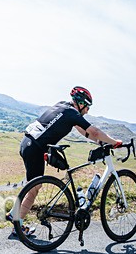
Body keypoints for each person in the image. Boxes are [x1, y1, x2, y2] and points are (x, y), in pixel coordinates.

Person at [11, 86, 121, 237]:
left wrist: (100, 143)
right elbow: (94, 131)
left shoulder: (63, 106)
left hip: (27, 143)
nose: (88, 111)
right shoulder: (72, 113)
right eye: (87, 106)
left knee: (32, 186)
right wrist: (114, 142)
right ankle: (17, 224)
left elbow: (85, 131)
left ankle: (14, 214)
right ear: (81, 103)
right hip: (35, 148)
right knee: (35, 188)